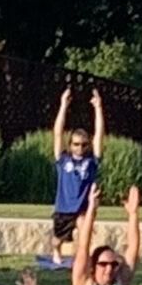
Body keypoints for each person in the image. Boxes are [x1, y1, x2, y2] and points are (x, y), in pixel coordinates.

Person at [49, 88, 103, 261]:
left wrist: (98, 108)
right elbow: (57, 133)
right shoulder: (62, 159)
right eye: (76, 144)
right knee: (58, 240)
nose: (80, 148)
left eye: (83, 144)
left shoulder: (91, 160)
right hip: (63, 208)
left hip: (82, 207)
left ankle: (82, 258)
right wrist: (63, 105)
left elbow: (99, 136)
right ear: (70, 144)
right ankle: (56, 250)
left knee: (83, 230)